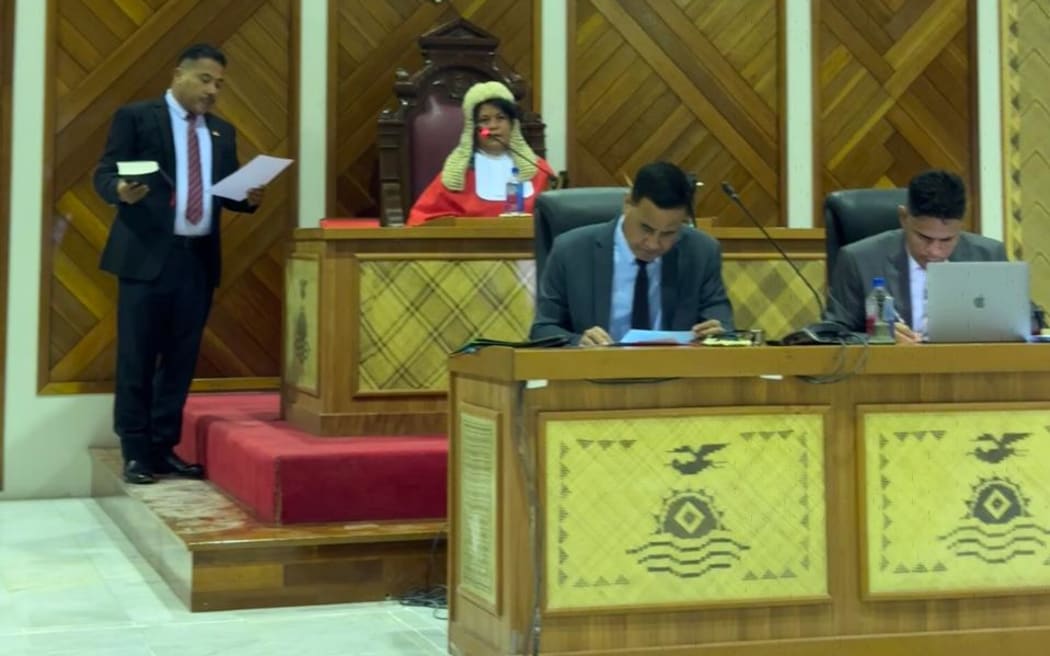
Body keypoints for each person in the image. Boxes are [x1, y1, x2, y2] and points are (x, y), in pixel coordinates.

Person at [93, 44, 265, 484]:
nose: (213, 91)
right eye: (206, 80)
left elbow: (226, 191)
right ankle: (134, 450)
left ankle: (163, 446)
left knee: (181, 359)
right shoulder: (137, 117)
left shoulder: (222, 133)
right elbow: (104, 173)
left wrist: (247, 198)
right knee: (137, 356)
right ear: (178, 75)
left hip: (196, 260)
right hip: (147, 258)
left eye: (220, 85)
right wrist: (119, 190)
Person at [529, 161, 733, 346]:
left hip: (674, 378)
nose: (653, 244)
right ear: (627, 204)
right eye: (646, 228)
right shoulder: (571, 250)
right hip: (595, 376)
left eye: (668, 233)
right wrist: (577, 342)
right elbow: (543, 329)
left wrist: (717, 335)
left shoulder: (701, 251)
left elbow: (723, 325)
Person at [824, 169, 1006, 344]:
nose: (935, 251)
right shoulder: (858, 259)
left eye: (947, 239)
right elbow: (831, 334)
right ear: (903, 218)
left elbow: (1027, 320)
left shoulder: (988, 256)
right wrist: (876, 338)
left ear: (961, 226)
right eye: (924, 238)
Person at [407, 80, 552, 225]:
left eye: (501, 118)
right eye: (484, 120)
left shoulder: (538, 170)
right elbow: (420, 221)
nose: (493, 126)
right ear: (473, 129)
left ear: (512, 125)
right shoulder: (457, 174)